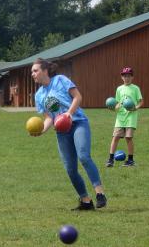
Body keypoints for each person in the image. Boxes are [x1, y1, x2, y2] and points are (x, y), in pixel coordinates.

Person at [30, 58, 107, 210]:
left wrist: (69, 114)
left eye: (35, 70)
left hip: (78, 122)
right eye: (32, 72)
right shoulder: (39, 95)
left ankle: (100, 194)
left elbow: (78, 97)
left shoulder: (60, 80)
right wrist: (41, 131)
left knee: (84, 156)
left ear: (45, 71)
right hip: (61, 131)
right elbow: (48, 118)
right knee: (70, 169)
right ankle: (86, 201)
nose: (33, 74)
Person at [106, 67, 143, 167]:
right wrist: (113, 108)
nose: (127, 78)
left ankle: (130, 161)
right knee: (115, 137)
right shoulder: (119, 89)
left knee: (128, 138)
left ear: (132, 77)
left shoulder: (135, 88)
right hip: (120, 117)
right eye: (124, 76)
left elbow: (141, 102)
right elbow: (118, 104)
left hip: (131, 116)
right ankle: (110, 160)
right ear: (122, 77)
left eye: (129, 76)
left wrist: (135, 108)